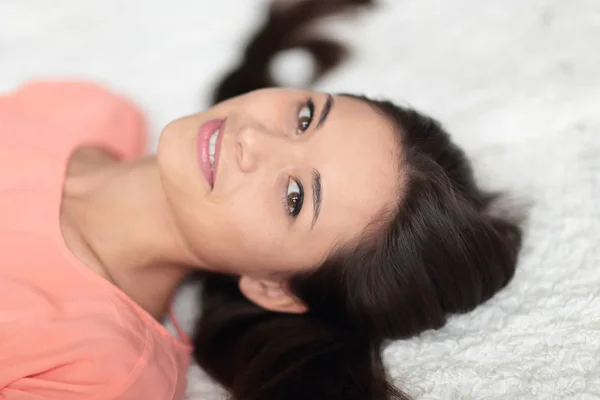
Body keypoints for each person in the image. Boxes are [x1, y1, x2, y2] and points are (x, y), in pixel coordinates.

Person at [0, 1, 521, 400]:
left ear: (274, 289)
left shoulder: (100, 370)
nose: (253, 140)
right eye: (304, 119)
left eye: (295, 197)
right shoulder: (88, 110)